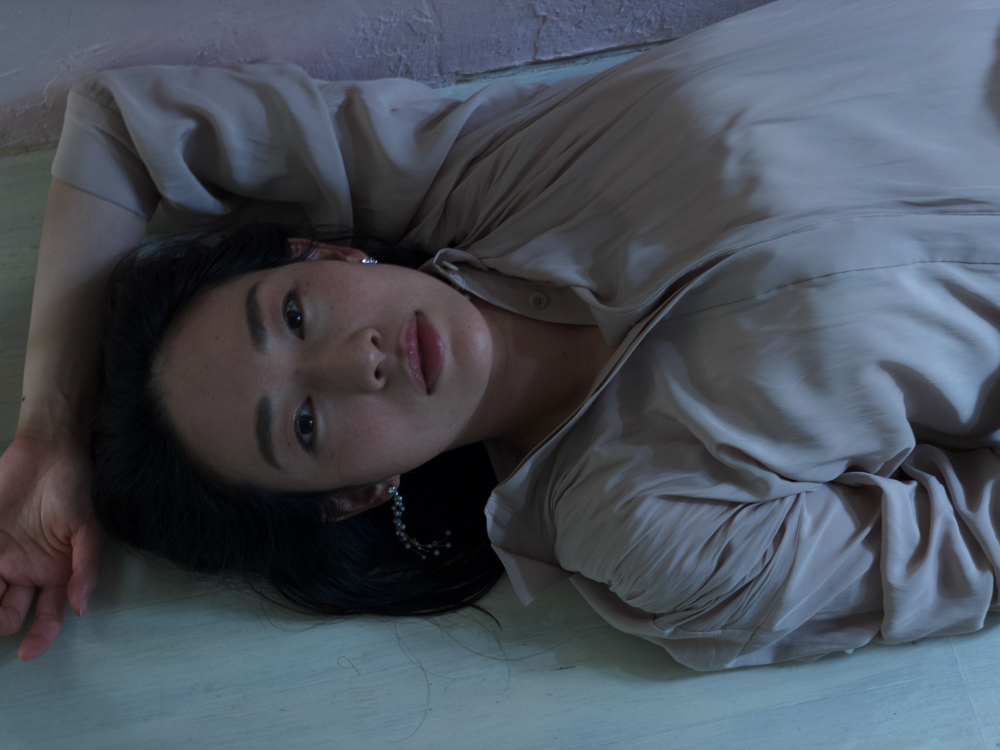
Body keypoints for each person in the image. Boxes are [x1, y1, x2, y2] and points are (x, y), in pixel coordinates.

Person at [5, 0, 1000, 671]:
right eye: (303, 423)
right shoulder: (645, 530)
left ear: (323, 252)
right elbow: (969, 550)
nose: (355, 361)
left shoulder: (477, 175)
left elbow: (123, 130)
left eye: (296, 314)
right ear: (354, 497)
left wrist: (47, 430)